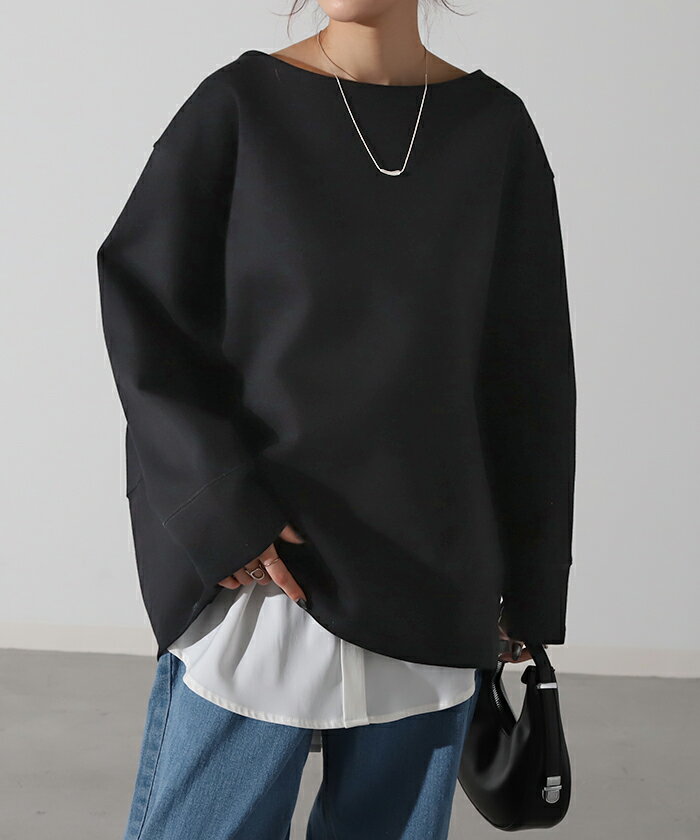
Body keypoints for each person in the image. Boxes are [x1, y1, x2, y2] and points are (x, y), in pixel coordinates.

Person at [97, 2, 576, 838]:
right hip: (270, 576)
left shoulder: (494, 131)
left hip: (433, 579)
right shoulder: (240, 107)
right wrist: (223, 514)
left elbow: (528, 376)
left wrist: (528, 591)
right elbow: (148, 319)